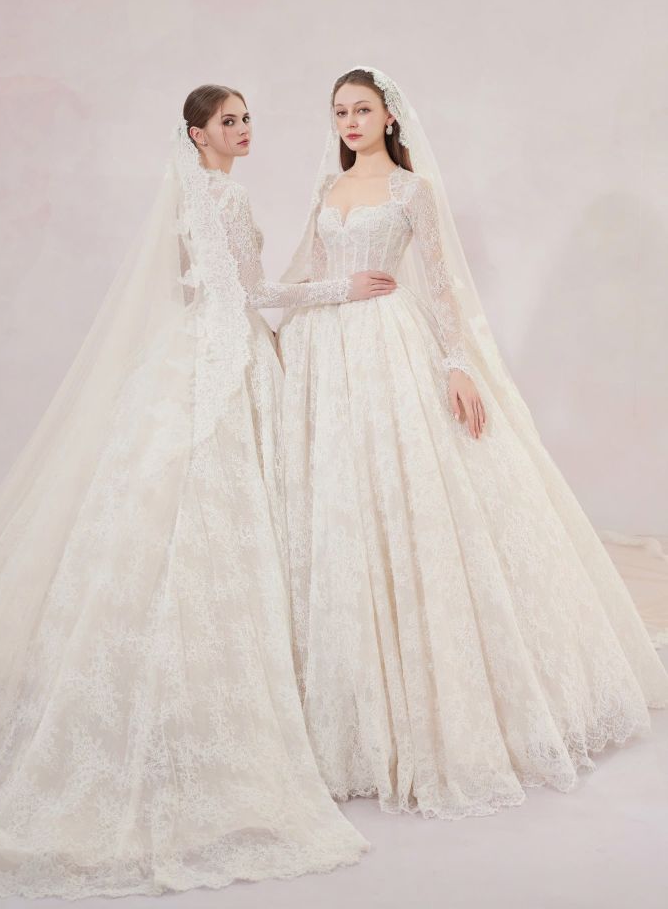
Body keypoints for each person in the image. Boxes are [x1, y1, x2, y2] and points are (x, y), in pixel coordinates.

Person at [0, 83, 393, 896]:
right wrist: (338, 290)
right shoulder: (225, 197)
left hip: (192, 353)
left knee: (165, 519)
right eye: (227, 122)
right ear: (197, 135)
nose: (243, 130)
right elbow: (251, 295)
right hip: (229, 361)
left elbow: (203, 289)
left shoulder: (193, 192)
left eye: (246, 119)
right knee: (222, 525)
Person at [277, 66, 668, 821]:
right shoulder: (328, 189)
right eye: (339, 112)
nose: (349, 122)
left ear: (389, 117)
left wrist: (456, 364)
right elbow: (310, 274)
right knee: (343, 508)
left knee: (410, 501)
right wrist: (280, 316)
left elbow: (440, 283)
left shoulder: (411, 192)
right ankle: (353, 699)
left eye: (362, 109)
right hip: (329, 356)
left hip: (391, 346)